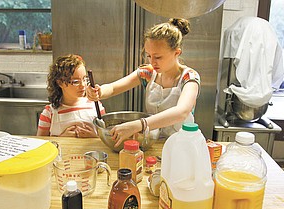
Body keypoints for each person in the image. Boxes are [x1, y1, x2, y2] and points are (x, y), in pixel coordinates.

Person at [86, 18, 200, 147]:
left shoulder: (189, 78)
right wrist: (99, 92)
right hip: (152, 144)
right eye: (149, 56)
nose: (152, 62)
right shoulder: (148, 73)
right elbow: (112, 88)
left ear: (176, 53)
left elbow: (181, 112)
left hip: (181, 146)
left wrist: (138, 125)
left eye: (158, 57)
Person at [37, 54, 105, 137]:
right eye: (76, 82)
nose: (83, 85)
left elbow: (105, 138)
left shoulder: (96, 106)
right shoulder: (49, 113)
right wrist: (62, 138)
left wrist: (94, 137)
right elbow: (41, 145)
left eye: (85, 79)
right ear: (60, 83)